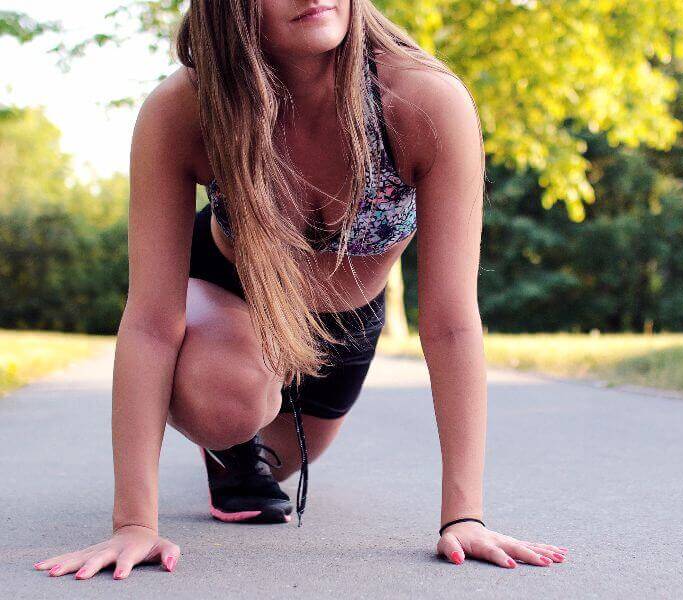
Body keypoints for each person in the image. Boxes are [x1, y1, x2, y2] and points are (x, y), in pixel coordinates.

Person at [34, 0, 567, 580]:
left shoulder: (424, 102)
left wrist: (464, 517)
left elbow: (452, 322)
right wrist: (134, 524)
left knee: (281, 464)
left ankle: (236, 454)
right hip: (231, 291)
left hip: (347, 319)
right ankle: (228, 431)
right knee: (229, 403)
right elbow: (149, 323)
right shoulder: (185, 108)